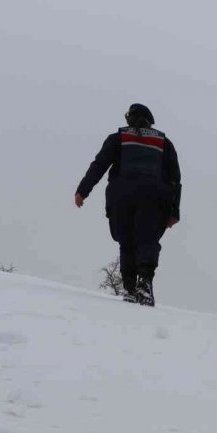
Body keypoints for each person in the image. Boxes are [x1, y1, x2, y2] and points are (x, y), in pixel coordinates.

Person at [75, 103, 181, 307]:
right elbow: (175, 179)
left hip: (121, 197)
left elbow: (99, 166)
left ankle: (130, 288)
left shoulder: (118, 139)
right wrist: (174, 210)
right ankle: (145, 284)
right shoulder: (164, 143)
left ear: (129, 119)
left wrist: (82, 191)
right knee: (147, 240)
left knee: (127, 241)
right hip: (154, 198)